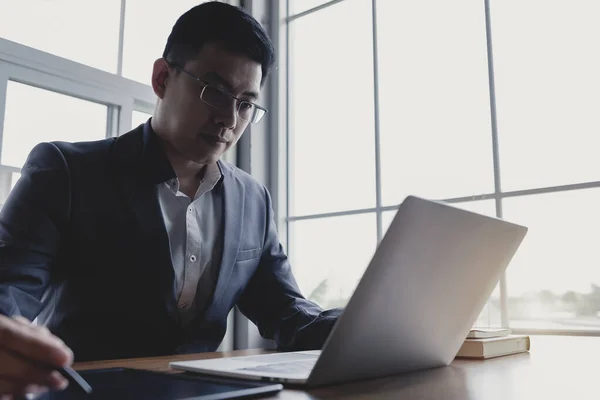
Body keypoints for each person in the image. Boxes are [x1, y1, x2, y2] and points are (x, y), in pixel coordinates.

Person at [0, 1, 341, 396]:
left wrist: (362, 327)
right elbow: (10, 287)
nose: (230, 120)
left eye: (246, 103)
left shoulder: (253, 199)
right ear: (162, 78)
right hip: (84, 392)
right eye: (216, 92)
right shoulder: (66, 171)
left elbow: (287, 311)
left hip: (208, 395)